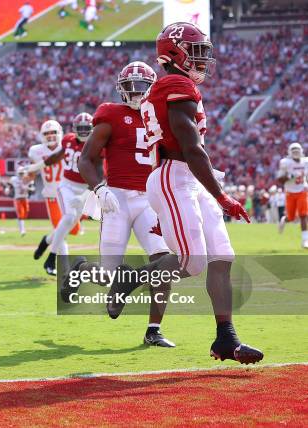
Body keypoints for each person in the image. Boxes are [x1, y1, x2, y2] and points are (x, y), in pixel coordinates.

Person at [107, 22, 263, 364]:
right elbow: (191, 148)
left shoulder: (174, 85)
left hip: (185, 178)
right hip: (175, 175)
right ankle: (130, 278)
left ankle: (226, 339)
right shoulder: (176, 84)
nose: (203, 58)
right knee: (193, 262)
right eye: (196, 51)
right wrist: (222, 196)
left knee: (222, 256)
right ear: (174, 53)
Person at [72, 61, 175, 347]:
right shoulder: (111, 114)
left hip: (149, 199)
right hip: (116, 197)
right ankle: (81, 268)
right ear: (121, 88)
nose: (136, 93)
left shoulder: (164, 118)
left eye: (142, 87)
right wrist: (99, 188)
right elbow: (86, 159)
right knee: (107, 275)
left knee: (163, 261)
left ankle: (154, 329)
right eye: (130, 87)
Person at [40, 113, 93, 275]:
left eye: (86, 128)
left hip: (83, 190)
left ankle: (46, 241)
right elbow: (56, 157)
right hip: (64, 187)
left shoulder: (96, 143)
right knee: (68, 219)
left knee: (72, 228)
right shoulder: (67, 141)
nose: (83, 132)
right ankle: (53, 259)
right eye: (80, 128)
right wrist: (34, 168)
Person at [24, 120, 81, 262]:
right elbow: (33, 172)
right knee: (61, 233)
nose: (50, 136)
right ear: (42, 135)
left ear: (59, 133)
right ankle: (65, 269)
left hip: (69, 194)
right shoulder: (36, 151)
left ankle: (47, 240)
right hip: (52, 195)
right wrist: (27, 177)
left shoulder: (68, 146)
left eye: (53, 132)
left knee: (73, 230)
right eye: (47, 133)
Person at [277, 142, 308, 248]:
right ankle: (284, 219)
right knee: (291, 217)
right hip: (290, 192)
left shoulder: (305, 161)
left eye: (297, 150)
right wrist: (290, 176)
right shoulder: (286, 162)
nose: (296, 153)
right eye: (293, 151)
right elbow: (280, 179)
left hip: (302, 191)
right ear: (290, 152)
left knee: (303, 215)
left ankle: (305, 240)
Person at [10, 170, 34, 236]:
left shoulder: (28, 179)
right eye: (20, 173)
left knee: (25, 214)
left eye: (22, 173)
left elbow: (33, 189)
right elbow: (10, 186)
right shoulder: (14, 179)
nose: (21, 175)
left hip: (25, 199)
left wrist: (29, 188)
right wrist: (9, 189)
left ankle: (21, 226)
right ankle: (22, 230)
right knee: (21, 214)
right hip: (18, 199)